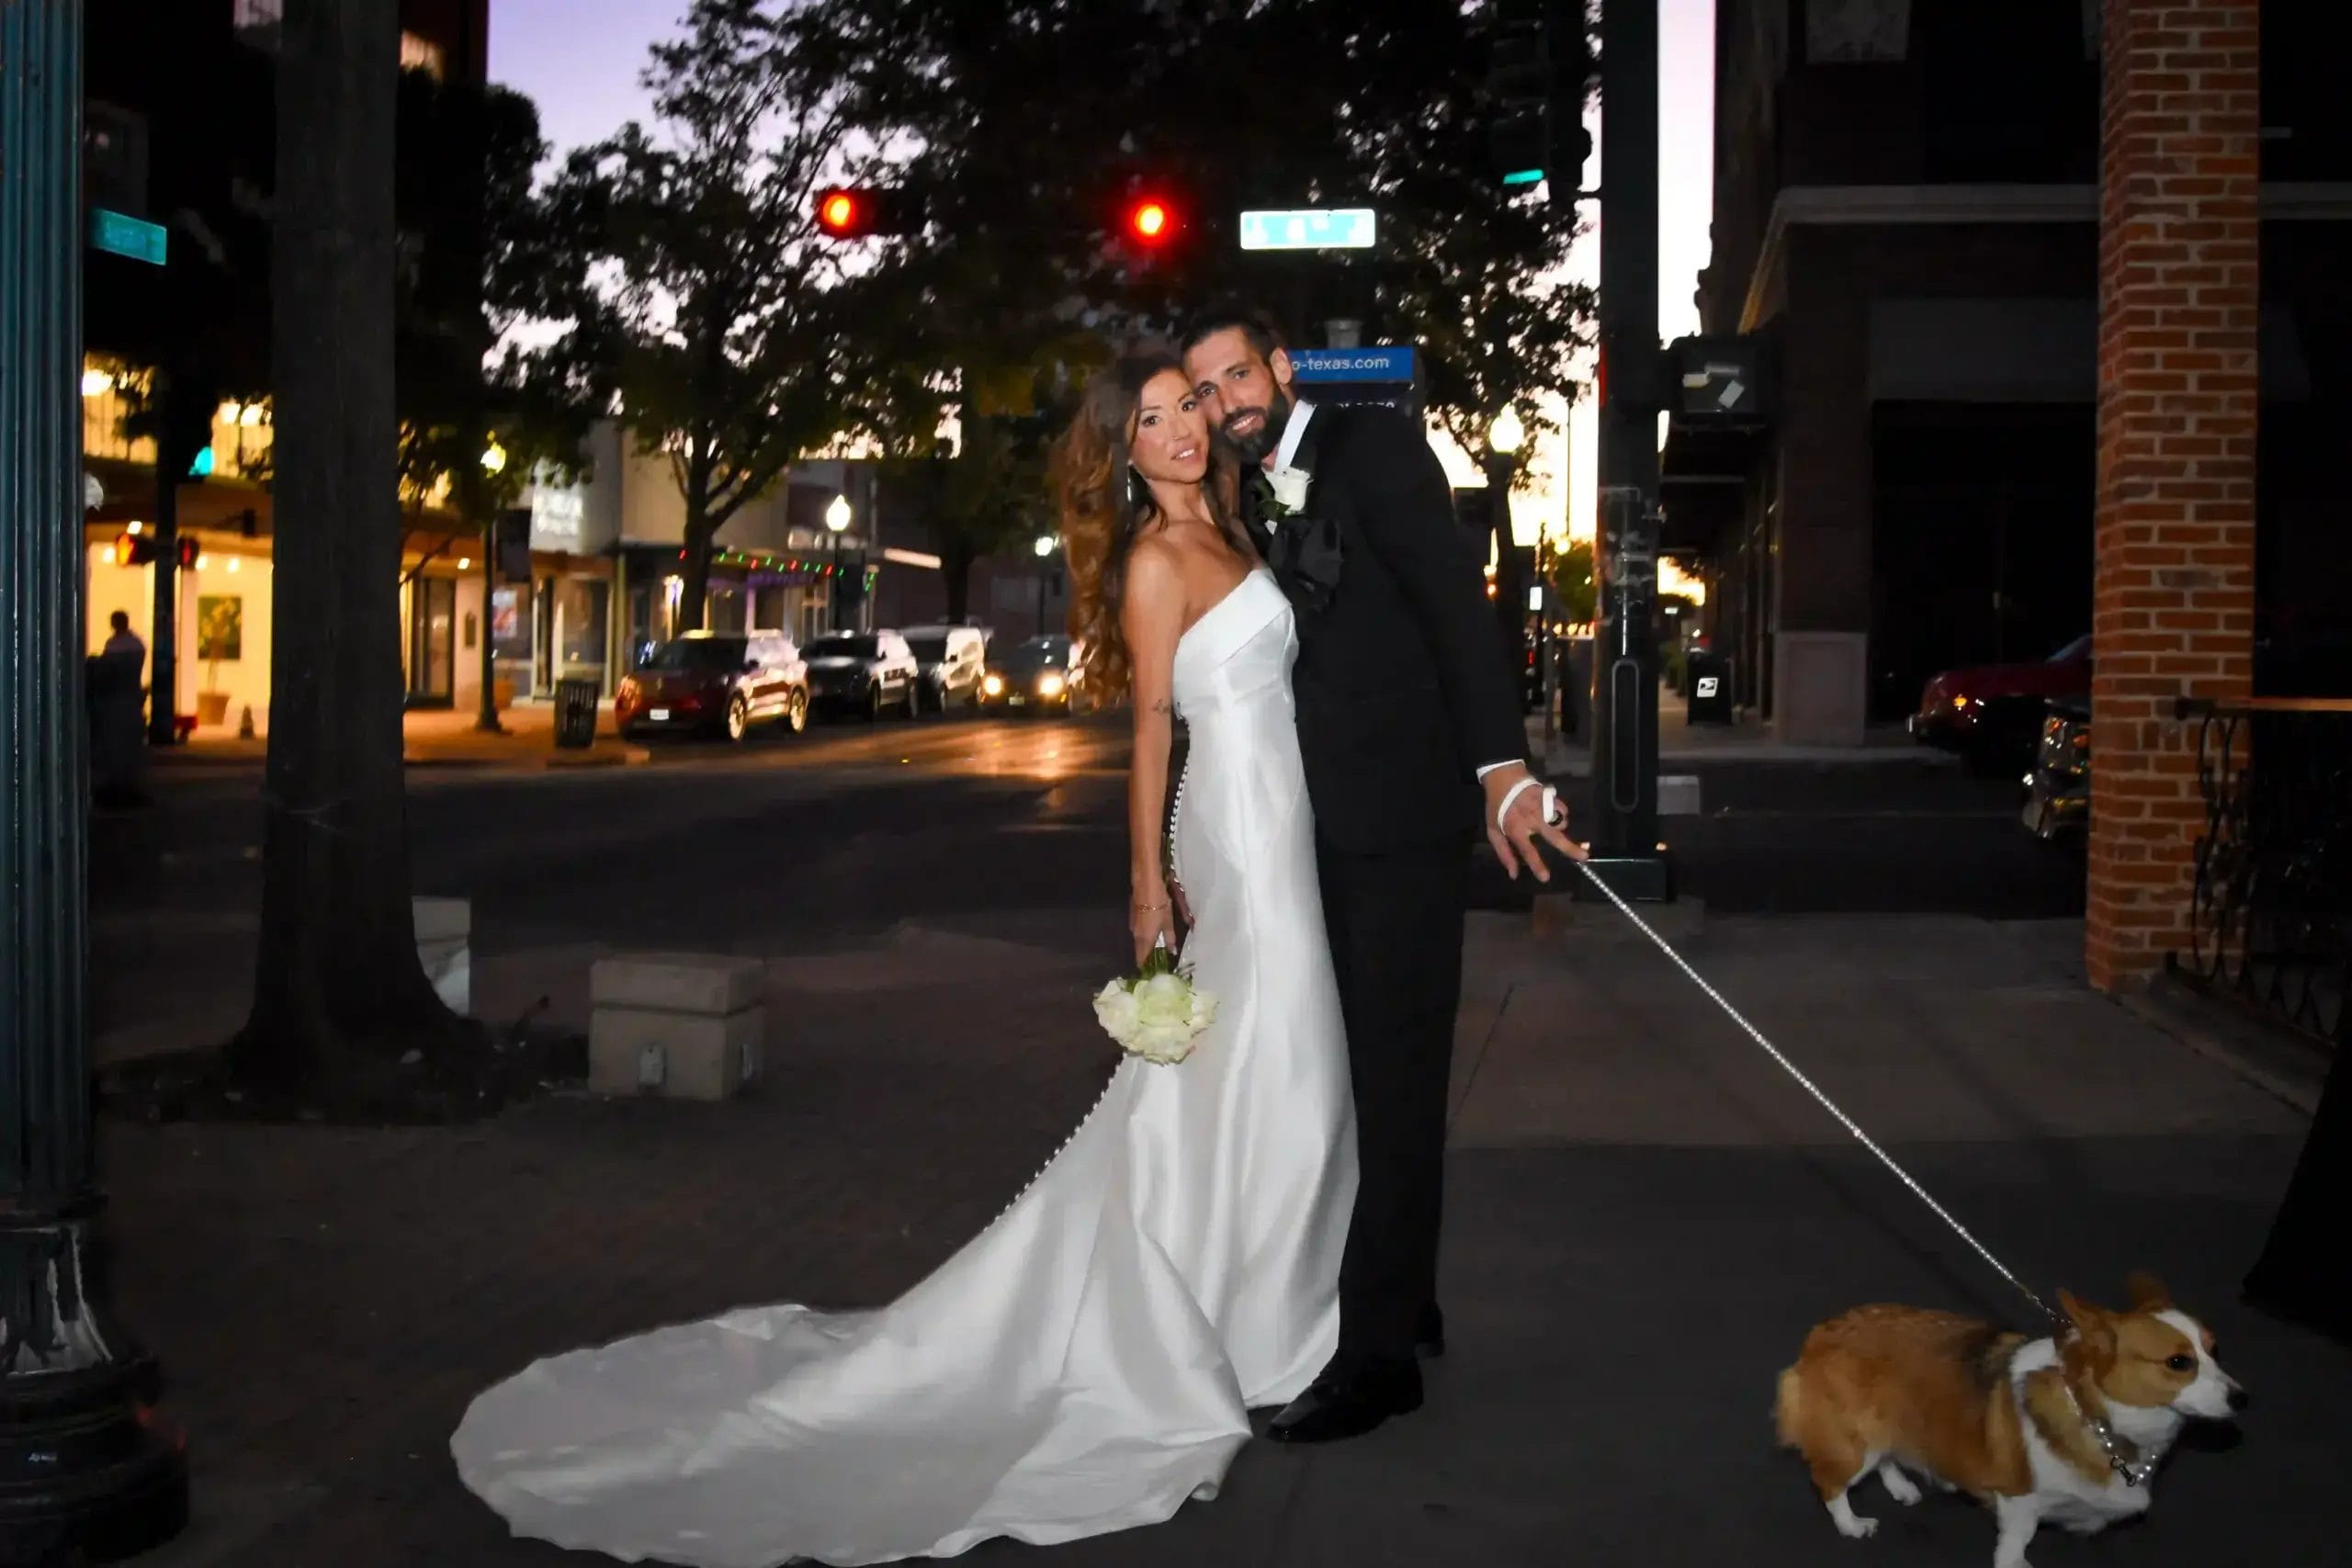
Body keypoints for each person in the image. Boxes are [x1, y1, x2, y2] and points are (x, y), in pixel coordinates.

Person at [448, 352, 1358, 1566]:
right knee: (1275, 1059)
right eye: (1150, 420)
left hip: (1284, 816)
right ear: (1122, 454)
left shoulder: (1242, 531)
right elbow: (1150, 725)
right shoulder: (1154, 560)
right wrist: (1145, 879)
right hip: (1235, 829)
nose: (1182, 428)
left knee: (1262, 1067)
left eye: (1185, 403)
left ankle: (1253, 1315)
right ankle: (1248, 1333)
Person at [1179, 304, 1582, 1444]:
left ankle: (1378, 1362)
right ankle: (1408, 1297)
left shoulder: (1377, 447)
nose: (1224, 403)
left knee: (1397, 1082)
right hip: (1315, 829)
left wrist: (1500, 767)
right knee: (1354, 1075)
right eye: (1205, 391)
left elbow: (1462, 611)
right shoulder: (1250, 492)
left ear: (1284, 366)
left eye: (1236, 376)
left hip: (1403, 819)